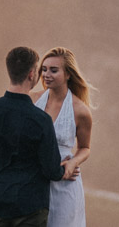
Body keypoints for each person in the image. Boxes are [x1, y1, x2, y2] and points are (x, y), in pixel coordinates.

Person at [0, 46, 77, 227]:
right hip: (31, 207)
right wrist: (67, 168)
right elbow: (52, 171)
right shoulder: (41, 120)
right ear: (32, 74)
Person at [33, 47, 95, 227]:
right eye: (44, 69)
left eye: (53, 70)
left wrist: (73, 163)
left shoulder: (80, 110)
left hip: (64, 182)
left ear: (68, 74)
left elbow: (85, 147)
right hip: (35, 181)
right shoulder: (32, 100)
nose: (46, 74)